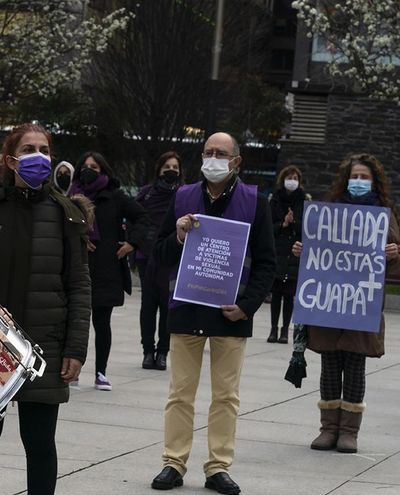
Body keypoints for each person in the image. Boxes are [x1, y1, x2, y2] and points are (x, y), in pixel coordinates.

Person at [0, 123, 91, 495]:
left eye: (44, 149)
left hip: (45, 346)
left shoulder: (67, 214)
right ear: (11, 159)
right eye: (29, 149)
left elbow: (79, 285)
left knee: (39, 445)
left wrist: (75, 349)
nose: (38, 156)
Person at [150, 132, 275, 495]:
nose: (213, 159)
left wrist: (247, 307)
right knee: (180, 393)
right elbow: (158, 253)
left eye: (220, 153)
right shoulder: (183, 197)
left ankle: (218, 466)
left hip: (230, 314)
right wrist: (176, 236)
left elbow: (267, 263)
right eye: (207, 152)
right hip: (187, 308)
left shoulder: (256, 202)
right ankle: (173, 462)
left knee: (226, 396)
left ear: (236, 161)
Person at [294, 153, 399, 454]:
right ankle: (328, 429)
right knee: (329, 365)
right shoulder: (329, 214)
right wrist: (303, 250)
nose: (359, 182)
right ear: (346, 179)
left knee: (354, 367)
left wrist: (394, 254)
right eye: (355, 176)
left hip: (360, 305)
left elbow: (394, 267)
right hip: (330, 305)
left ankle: (349, 432)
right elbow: (316, 257)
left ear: (374, 182)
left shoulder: (384, 215)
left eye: (365, 177)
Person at [71, 151, 149, 391]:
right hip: (78, 267)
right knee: (76, 323)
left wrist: (131, 244)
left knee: (102, 323)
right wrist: (78, 238)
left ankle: (101, 372)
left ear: (103, 170)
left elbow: (142, 217)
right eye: (85, 165)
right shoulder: (71, 195)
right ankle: (72, 371)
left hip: (107, 269)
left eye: (94, 166)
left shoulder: (114, 196)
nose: (89, 169)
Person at [135, 152, 183, 370]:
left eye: (175, 167)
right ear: (159, 169)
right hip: (147, 256)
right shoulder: (146, 194)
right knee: (148, 305)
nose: (171, 171)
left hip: (173, 258)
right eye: (167, 167)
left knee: (167, 307)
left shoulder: (184, 195)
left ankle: (162, 352)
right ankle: (147, 351)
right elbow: (134, 219)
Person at [268, 165, 307, 344]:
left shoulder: (304, 201)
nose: (292, 181)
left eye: (295, 178)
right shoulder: (274, 199)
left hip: (294, 252)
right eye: (289, 177)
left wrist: (294, 222)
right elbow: (268, 227)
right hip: (278, 250)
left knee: (288, 294)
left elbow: (307, 229)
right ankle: (273, 328)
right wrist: (283, 223)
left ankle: (285, 330)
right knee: (276, 294)